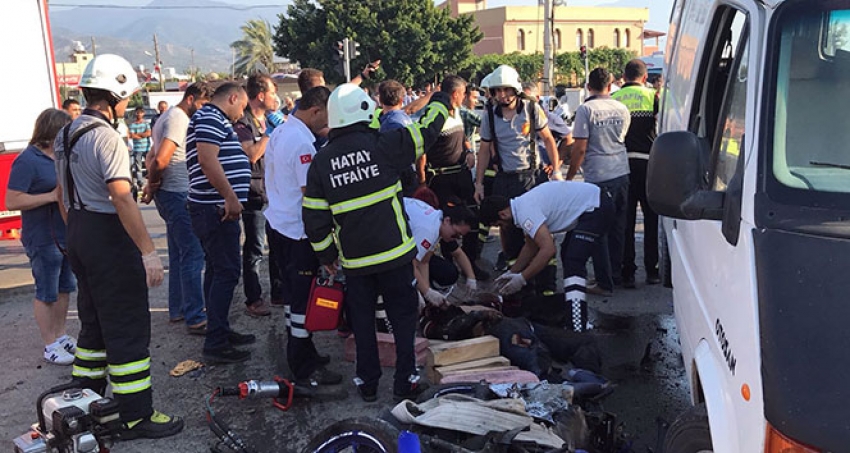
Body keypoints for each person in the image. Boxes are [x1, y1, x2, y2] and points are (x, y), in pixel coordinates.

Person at [54, 54, 182, 439]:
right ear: (115, 95)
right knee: (126, 324)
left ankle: (83, 404)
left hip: (78, 231)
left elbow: (62, 193)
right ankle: (134, 415)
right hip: (107, 235)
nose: (128, 105)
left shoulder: (66, 132)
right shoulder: (106, 137)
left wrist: (77, 233)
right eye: (126, 97)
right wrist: (147, 251)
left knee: (93, 325)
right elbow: (122, 197)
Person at [302, 83, 452, 402]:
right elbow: (425, 133)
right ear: (364, 112)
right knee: (402, 319)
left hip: (355, 263)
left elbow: (314, 216)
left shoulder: (322, 161)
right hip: (395, 257)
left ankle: (367, 384)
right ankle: (404, 383)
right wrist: (440, 100)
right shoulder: (383, 143)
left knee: (363, 323)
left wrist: (326, 254)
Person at [265, 86, 340, 386]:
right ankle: (302, 367)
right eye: (327, 117)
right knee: (301, 302)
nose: (328, 125)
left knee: (293, 298)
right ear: (315, 110)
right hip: (297, 232)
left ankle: (303, 349)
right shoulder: (303, 145)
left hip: (278, 224)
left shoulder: (282, 131)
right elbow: (311, 195)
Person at [479, 181, 614, 332]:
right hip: (596, 202)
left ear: (502, 214)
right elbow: (531, 246)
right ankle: (577, 319)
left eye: (499, 224)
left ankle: (577, 325)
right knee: (569, 254)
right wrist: (512, 272)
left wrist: (522, 279)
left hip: (596, 207)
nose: (503, 228)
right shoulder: (522, 205)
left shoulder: (525, 213)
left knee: (573, 261)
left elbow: (548, 249)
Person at [473, 65, 561, 294]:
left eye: (506, 90)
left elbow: (549, 139)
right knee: (510, 234)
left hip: (532, 177)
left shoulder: (532, 109)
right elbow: (483, 150)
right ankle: (517, 286)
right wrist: (479, 183)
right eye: (497, 90)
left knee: (540, 233)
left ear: (516, 89)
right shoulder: (489, 115)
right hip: (505, 179)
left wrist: (557, 171)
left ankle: (546, 287)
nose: (502, 95)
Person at [186, 82, 255, 364]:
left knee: (216, 271)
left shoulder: (213, 120)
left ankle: (220, 330)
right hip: (215, 208)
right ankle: (215, 343)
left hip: (214, 208)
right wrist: (229, 196)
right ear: (233, 97)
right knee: (226, 272)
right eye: (242, 106)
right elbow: (207, 160)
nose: (242, 113)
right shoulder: (210, 117)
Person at [6, 108, 76, 365]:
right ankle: (49, 343)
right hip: (43, 237)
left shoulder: (58, 156)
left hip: (64, 234)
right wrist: (50, 197)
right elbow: (12, 199)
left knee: (65, 287)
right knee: (47, 290)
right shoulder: (27, 160)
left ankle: (60, 335)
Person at [142, 82, 213, 334]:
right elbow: (160, 159)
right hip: (178, 193)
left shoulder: (166, 117)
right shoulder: (178, 119)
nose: (204, 111)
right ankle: (195, 315)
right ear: (191, 99)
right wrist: (153, 182)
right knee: (193, 254)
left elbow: (152, 156)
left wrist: (152, 186)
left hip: (169, 193)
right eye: (203, 105)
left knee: (179, 253)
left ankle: (178, 309)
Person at [566, 67, 631, 296]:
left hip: (598, 175)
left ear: (588, 86)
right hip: (622, 170)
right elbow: (622, 137)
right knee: (618, 227)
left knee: (598, 229)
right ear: (610, 84)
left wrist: (570, 175)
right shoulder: (621, 107)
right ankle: (616, 274)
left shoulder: (586, 110)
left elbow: (580, 147)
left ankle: (604, 281)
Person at [421, 75, 489, 281]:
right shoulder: (434, 114)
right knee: (446, 221)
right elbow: (422, 150)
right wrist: (422, 180)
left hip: (461, 175)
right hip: (442, 179)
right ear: (455, 94)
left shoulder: (458, 112)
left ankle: (470, 262)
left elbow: (463, 139)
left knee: (472, 218)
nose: (466, 97)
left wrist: (468, 151)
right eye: (463, 93)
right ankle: (448, 265)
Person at [612, 59, 660, 287]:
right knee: (651, 220)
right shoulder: (653, 97)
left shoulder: (614, 99)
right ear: (644, 77)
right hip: (649, 166)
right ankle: (653, 271)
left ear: (624, 76)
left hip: (623, 165)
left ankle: (627, 272)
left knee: (626, 220)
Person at [234, 73, 278, 318]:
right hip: (254, 192)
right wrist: (271, 133)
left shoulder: (267, 120)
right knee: (255, 248)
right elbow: (251, 154)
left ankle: (278, 292)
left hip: (273, 191)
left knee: (277, 246)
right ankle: (253, 298)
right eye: (272, 93)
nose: (276, 98)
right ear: (261, 95)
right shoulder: (243, 123)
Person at [404, 196, 478, 306]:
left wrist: (426, 292)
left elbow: (424, 261)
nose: (456, 239)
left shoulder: (437, 223)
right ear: (447, 221)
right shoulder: (428, 230)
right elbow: (409, 265)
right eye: (456, 234)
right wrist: (425, 291)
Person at [128, 106, 152, 193]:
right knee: (138, 167)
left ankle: (150, 182)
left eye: (141, 113)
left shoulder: (146, 124)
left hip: (146, 147)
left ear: (143, 113)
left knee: (149, 165)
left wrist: (138, 134)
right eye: (137, 113)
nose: (139, 114)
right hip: (137, 148)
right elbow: (131, 135)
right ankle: (140, 183)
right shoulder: (132, 124)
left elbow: (148, 133)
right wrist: (141, 135)